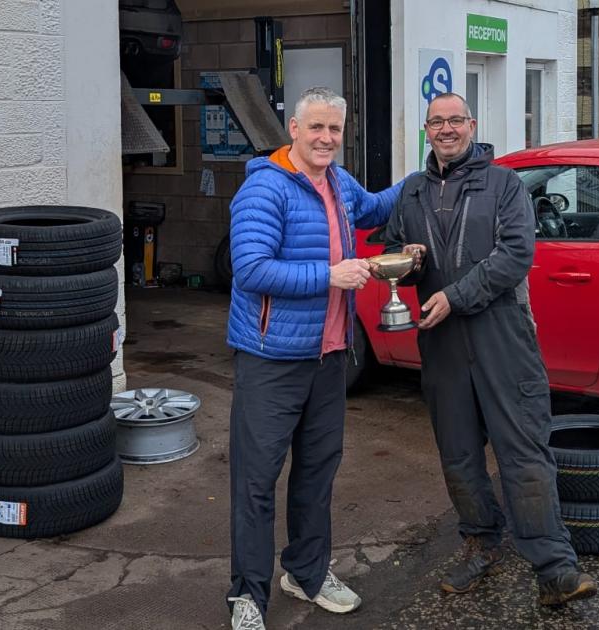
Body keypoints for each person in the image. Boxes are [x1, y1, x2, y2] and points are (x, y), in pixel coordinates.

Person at [378, 92, 597, 606]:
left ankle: (555, 569)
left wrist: (455, 297)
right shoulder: (410, 192)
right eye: (437, 122)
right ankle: (481, 544)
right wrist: (404, 258)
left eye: (456, 120)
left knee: (524, 452)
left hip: (502, 335)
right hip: (443, 343)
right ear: (426, 130)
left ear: (471, 125)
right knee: (458, 455)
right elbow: (389, 250)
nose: (447, 129)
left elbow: (517, 254)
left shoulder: (503, 184)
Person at [224, 86, 402, 630]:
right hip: (271, 359)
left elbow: (374, 208)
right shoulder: (265, 191)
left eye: (335, 130)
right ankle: (248, 596)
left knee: (317, 474)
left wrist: (431, 172)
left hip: (330, 357)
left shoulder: (340, 183)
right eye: (316, 128)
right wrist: (331, 276)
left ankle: (306, 572)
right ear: (294, 131)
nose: (326, 138)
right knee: (256, 482)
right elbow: (250, 270)